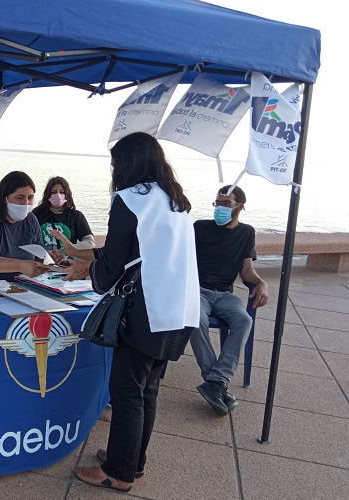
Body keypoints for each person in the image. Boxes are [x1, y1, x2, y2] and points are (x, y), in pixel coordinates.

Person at [63, 132, 199, 492]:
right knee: (147, 389)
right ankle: (132, 460)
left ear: (128, 163)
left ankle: (118, 473)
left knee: (125, 392)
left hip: (146, 310)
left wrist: (88, 272)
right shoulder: (176, 200)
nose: (112, 169)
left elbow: (113, 262)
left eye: (114, 162)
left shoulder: (129, 200)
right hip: (179, 309)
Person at [191, 185, 269, 415]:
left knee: (244, 320)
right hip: (198, 290)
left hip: (225, 293)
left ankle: (216, 382)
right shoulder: (200, 227)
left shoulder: (246, 232)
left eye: (226, 204)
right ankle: (216, 381)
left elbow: (246, 269)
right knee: (194, 318)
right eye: (217, 203)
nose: (220, 208)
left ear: (240, 207)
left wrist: (261, 282)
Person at [31, 176, 95, 261]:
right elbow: (28, 240)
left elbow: (90, 242)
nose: (58, 195)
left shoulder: (76, 216)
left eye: (62, 192)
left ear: (67, 194)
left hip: (67, 263)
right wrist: (45, 252)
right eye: (53, 192)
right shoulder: (37, 213)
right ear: (48, 194)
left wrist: (69, 250)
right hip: (43, 262)